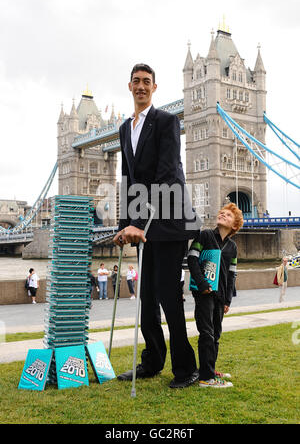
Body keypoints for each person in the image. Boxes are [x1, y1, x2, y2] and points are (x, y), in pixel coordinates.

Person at [113, 63, 198, 389]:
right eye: (136, 81)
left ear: (154, 87)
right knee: (146, 299)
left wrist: (139, 220)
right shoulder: (124, 129)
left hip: (169, 219)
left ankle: (185, 369)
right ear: (130, 86)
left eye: (147, 82)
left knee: (166, 295)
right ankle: (152, 362)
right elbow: (127, 179)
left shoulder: (167, 121)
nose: (141, 86)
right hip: (142, 224)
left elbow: (166, 174)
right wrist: (124, 225)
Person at [187, 203, 243, 388]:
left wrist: (228, 300)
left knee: (216, 334)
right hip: (204, 292)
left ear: (234, 226)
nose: (222, 215)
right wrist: (202, 283)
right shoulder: (205, 235)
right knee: (207, 333)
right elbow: (192, 258)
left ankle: (209, 368)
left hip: (220, 296)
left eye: (228, 215)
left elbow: (232, 274)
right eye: (222, 213)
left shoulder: (232, 247)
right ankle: (206, 378)